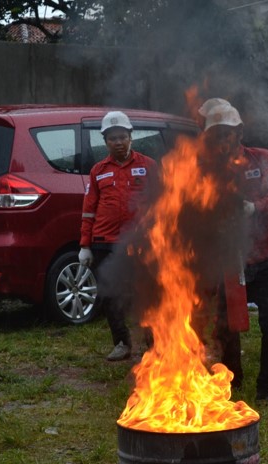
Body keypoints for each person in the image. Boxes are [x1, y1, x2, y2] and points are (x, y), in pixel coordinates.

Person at [197, 103, 268, 402]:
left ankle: (266, 387)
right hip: (231, 259)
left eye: (229, 133)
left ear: (239, 132)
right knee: (225, 326)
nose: (224, 140)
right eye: (218, 134)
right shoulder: (206, 168)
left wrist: (253, 208)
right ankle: (232, 381)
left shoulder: (263, 159)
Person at [79, 110, 158, 361]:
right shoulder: (98, 170)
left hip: (139, 242)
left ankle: (153, 344)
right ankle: (122, 343)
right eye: (112, 138)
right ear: (105, 142)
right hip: (105, 243)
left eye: (122, 136)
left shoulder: (148, 166)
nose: (118, 142)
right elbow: (88, 210)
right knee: (110, 295)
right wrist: (85, 246)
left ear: (130, 137)